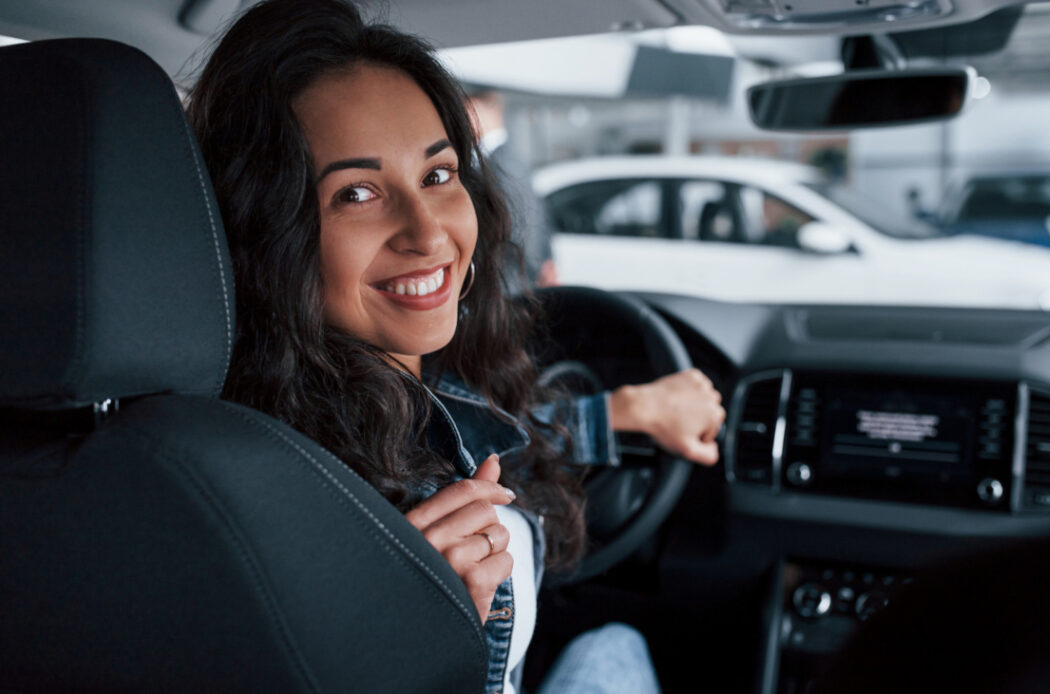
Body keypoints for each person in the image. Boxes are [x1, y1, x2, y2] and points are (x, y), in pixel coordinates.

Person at [186, 1, 725, 692]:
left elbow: (498, 448)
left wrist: (624, 411)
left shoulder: (419, 392)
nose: (429, 234)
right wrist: (410, 645)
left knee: (616, 643)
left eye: (437, 176)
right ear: (266, 233)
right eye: (356, 193)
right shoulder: (269, 502)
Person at [466, 86, 559, 288]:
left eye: (468, 111)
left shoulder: (502, 162)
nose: (463, 120)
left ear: (489, 111)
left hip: (508, 285)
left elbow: (523, 229)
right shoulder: (498, 158)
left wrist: (514, 285)